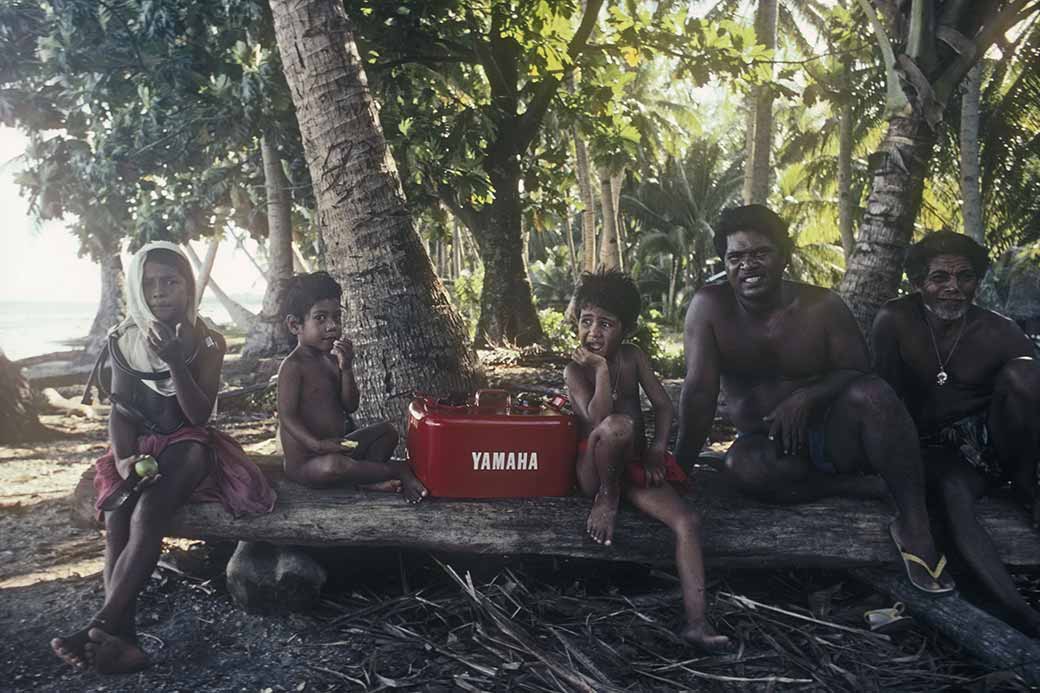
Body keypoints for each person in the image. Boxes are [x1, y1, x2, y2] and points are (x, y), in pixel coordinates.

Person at [676, 205, 955, 594]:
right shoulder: (709, 307)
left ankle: (914, 522)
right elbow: (699, 393)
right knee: (741, 466)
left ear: (784, 256)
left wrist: (807, 396)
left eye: (760, 253)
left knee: (872, 396)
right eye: (735, 257)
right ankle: (859, 488)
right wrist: (679, 468)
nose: (748, 265)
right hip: (771, 447)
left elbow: (860, 373)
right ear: (724, 262)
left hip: (833, 437)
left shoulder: (821, 306)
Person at [52, 242, 276, 674]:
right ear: (137, 290)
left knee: (148, 513)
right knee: (118, 516)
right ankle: (126, 640)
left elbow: (198, 414)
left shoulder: (207, 340)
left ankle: (101, 624)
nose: (160, 292)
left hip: (190, 443)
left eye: (171, 282)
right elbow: (121, 410)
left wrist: (176, 363)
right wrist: (121, 459)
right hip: (141, 448)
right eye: (150, 283)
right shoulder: (125, 339)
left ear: (189, 288)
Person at [871, 230, 1040, 635]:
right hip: (924, 447)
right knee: (951, 490)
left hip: (990, 446)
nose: (954, 288)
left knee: (1025, 373)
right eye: (940, 278)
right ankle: (1021, 614)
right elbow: (884, 397)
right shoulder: (894, 320)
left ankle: (1027, 487)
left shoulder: (999, 332)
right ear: (917, 283)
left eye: (965, 277)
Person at [565, 270, 730, 651]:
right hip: (593, 469)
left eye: (606, 324)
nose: (594, 333)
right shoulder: (575, 370)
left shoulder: (634, 357)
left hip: (633, 466)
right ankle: (607, 499)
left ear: (626, 328)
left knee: (687, 520)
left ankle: (697, 624)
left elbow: (663, 405)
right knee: (617, 425)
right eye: (587, 321)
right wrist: (601, 370)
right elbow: (597, 420)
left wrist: (658, 448)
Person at [276, 271, 427, 503]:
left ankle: (365, 480)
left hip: (337, 447)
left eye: (337, 317)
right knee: (334, 466)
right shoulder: (293, 367)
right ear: (295, 325)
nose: (332, 326)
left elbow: (350, 405)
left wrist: (346, 368)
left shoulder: (332, 359)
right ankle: (398, 471)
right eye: (321, 318)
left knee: (387, 432)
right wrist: (317, 445)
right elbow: (288, 417)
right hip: (308, 462)